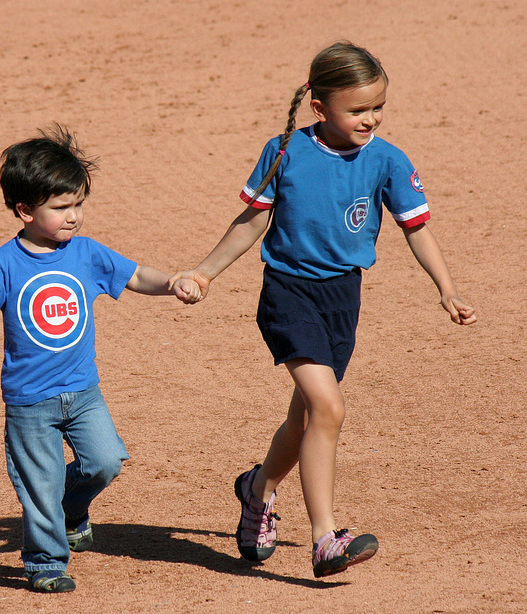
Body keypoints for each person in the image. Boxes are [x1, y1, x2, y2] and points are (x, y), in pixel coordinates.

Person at [170, 41, 477, 578]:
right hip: (288, 294)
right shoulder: (285, 149)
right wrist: (204, 272)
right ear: (320, 108)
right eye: (357, 109)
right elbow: (252, 222)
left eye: (378, 106)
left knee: (307, 416)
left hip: (342, 297)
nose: (370, 118)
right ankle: (326, 538)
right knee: (329, 409)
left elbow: (416, 229)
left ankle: (258, 488)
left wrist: (445, 288)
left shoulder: (387, 159)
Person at [0, 125, 200, 593]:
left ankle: (70, 509)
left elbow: (133, 275)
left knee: (107, 461)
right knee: (39, 484)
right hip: (30, 402)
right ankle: (46, 561)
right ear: (25, 210)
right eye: (61, 207)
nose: (74, 217)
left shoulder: (85, 253)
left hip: (84, 391)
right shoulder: (3, 263)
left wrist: (171, 282)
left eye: (78, 205)